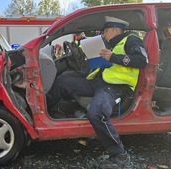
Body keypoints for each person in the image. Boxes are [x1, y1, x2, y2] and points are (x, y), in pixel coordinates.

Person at [47, 16, 148, 169]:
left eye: (106, 31)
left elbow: (142, 61)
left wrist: (112, 57)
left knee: (97, 114)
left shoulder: (131, 40)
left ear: (115, 29)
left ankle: (120, 155)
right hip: (98, 81)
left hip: (116, 86)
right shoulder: (110, 43)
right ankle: (43, 112)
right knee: (64, 81)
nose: (103, 33)